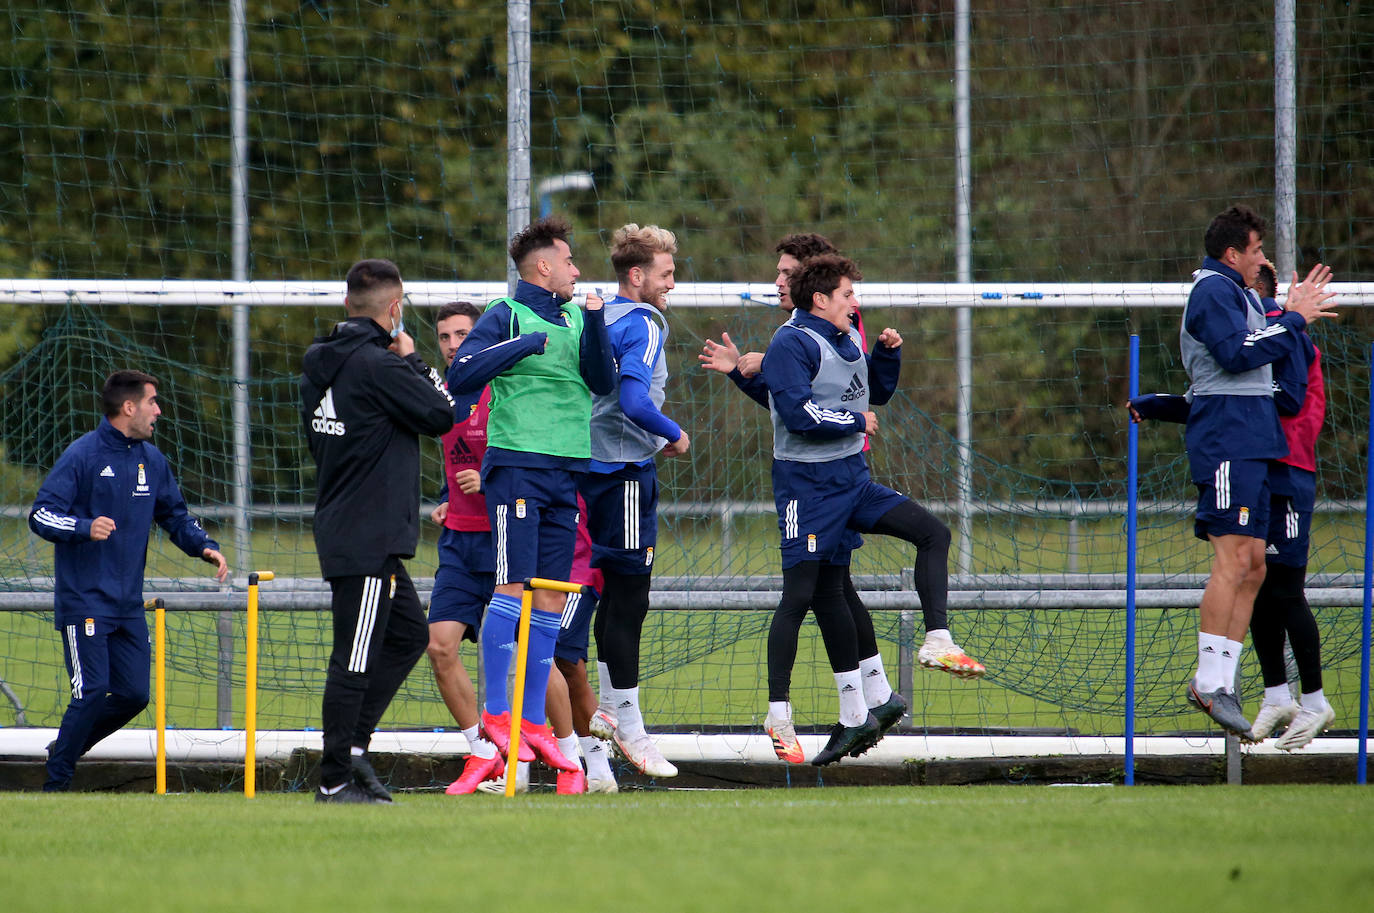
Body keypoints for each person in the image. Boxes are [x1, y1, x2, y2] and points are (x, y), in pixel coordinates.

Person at [447, 216, 614, 777]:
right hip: (517, 468)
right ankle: (497, 713)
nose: (576, 270)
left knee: (548, 597)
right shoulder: (506, 314)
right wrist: (521, 345)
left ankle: (537, 723)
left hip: (565, 475)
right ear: (544, 267)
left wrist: (595, 325)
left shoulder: (575, 314)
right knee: (512, 588)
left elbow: (602, 380)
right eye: (570, 261)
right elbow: (462, 374)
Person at [1173, 206, 1335, 735]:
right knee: (1231, 560)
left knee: (1255, 567)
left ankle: (1221, 682)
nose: (1263, 258)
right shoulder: (1212, 290)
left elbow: (1263, 367)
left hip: (1253, 442)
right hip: (1226, 441)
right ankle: (1209, 681)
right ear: (1232, 254)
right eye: (1258, 250)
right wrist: (1292, 318)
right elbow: (1236, 354)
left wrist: (1287, 315)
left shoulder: (1238, 293)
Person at [300, 258, 456, 803]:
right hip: (366, 537)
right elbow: (442, 413)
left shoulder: (320, 363)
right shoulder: (379, 366)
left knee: (410, 634)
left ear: (348, 306)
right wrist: (414, 360)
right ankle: (335, 777)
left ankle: (353, 754)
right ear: (395, 310)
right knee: (355, 656)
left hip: (355, 530)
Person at [30, 370, 230, 792]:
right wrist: (83, 527)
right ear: (129, 407)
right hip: (84, 601)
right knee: (91, 691)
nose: (158, 411)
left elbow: (174, 514)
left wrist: (202, 545)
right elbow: (41, 514)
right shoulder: (82, 455)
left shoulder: (151, 459)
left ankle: (63, 749)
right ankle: (56, 784)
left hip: (126, 605)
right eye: (153, 402)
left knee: (134, 694)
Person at [759, 253, 914, 765]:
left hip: (845, 479)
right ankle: (786, 713)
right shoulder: (793, 339)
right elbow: (793, 407)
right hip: (807, 487)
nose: (778, 280)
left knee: (834, 591)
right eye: (850, 294)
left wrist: (882, 368)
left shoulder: (843, 334)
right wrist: (853, 419)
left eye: (785, 271)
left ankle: (867, 705)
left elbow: (867, 395)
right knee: (807, 593)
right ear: (823, 295)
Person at [578, 223, 688, 779]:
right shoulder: (644, 321)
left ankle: (591, 754)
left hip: (575, 475)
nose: (673, 284)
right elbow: (632, 399)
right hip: (620, 477)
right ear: (637, 275)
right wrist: (672, 431)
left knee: (578, 605)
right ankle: (631, 730)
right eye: (667, 274)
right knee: (626, 605)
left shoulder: (589, 317)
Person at [1244, 261, 1336, 749]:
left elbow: (1287, 399)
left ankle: (1316, 701)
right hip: (1260, 469)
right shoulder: (1261, 334)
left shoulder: (1287, 337)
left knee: (1286, 590)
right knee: (1257, 587)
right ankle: (1277, 694)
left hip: (1290, 471)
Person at [424, 301, 506, 794]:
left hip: (506, 542)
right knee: (439, 646)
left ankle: (578, 758)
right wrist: (443, 498)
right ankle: (484, 751)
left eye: (462, 334)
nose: (454, 345)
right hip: (459, 543)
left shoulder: (507, 388)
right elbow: (455, 464)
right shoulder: (441, 396)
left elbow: (529, 463)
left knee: (524, 659)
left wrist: (490, 483)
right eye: (445, 337)